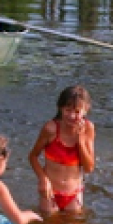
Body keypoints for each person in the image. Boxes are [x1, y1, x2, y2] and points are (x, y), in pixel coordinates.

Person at [29, 85, 96, 214]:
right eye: (67, 110)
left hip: (74, 193)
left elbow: (89, 168)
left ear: (85, 110)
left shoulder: (88, 129)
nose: (71, 116)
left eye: (77, 112)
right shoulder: (51, 129)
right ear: (60, 108)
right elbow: (32, 156)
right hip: (50, 192)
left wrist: (80, 140)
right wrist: (43, 179)